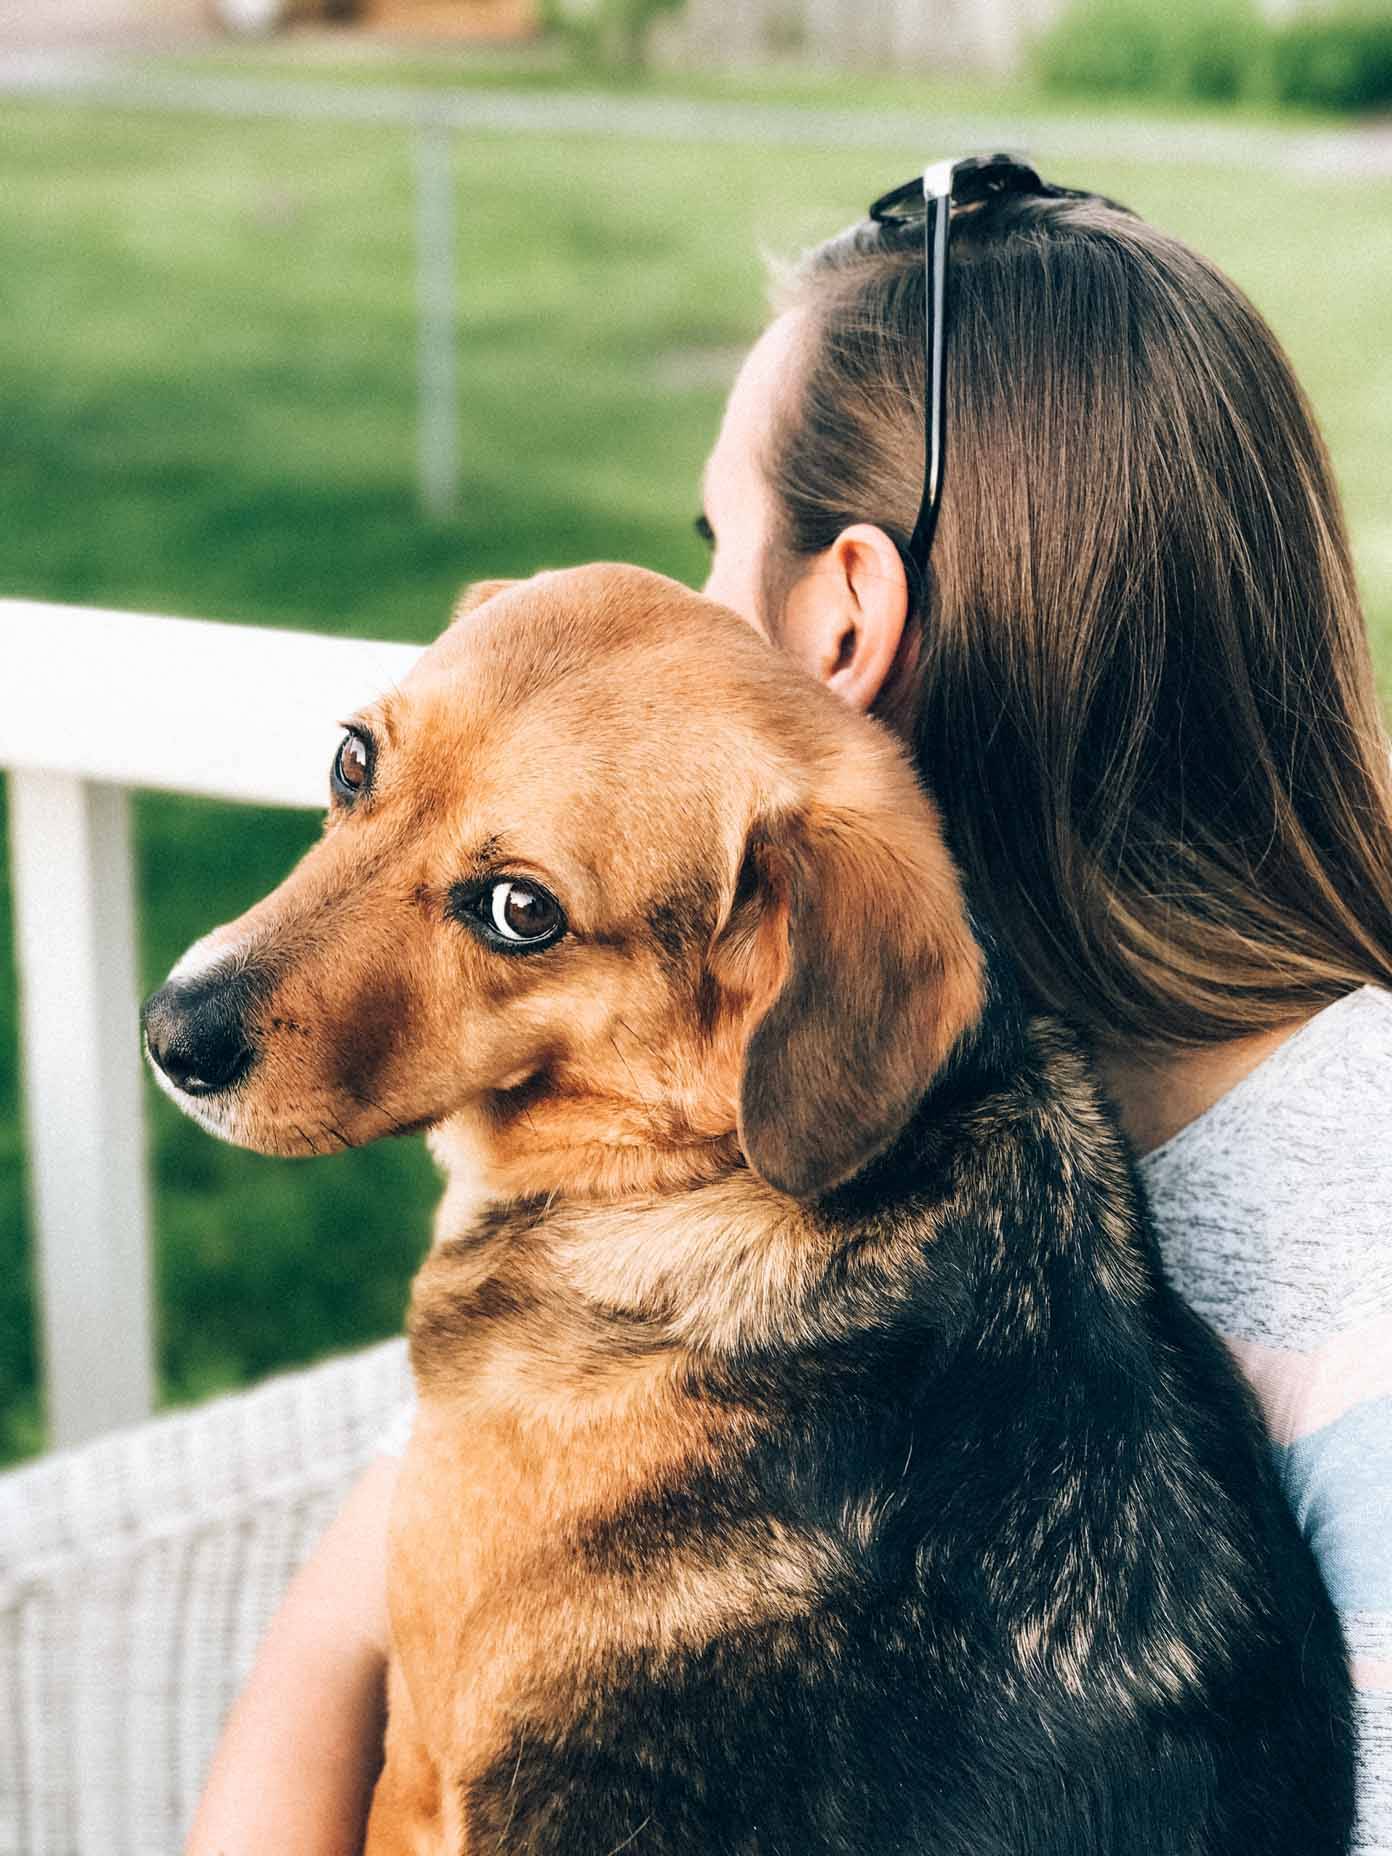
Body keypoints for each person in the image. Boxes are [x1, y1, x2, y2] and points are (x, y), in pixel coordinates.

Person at [184, 164, 1392, 1855]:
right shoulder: (730, 1113)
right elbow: (368, 1618)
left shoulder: (798, 1144)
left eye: (709, 547)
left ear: (842, 619)